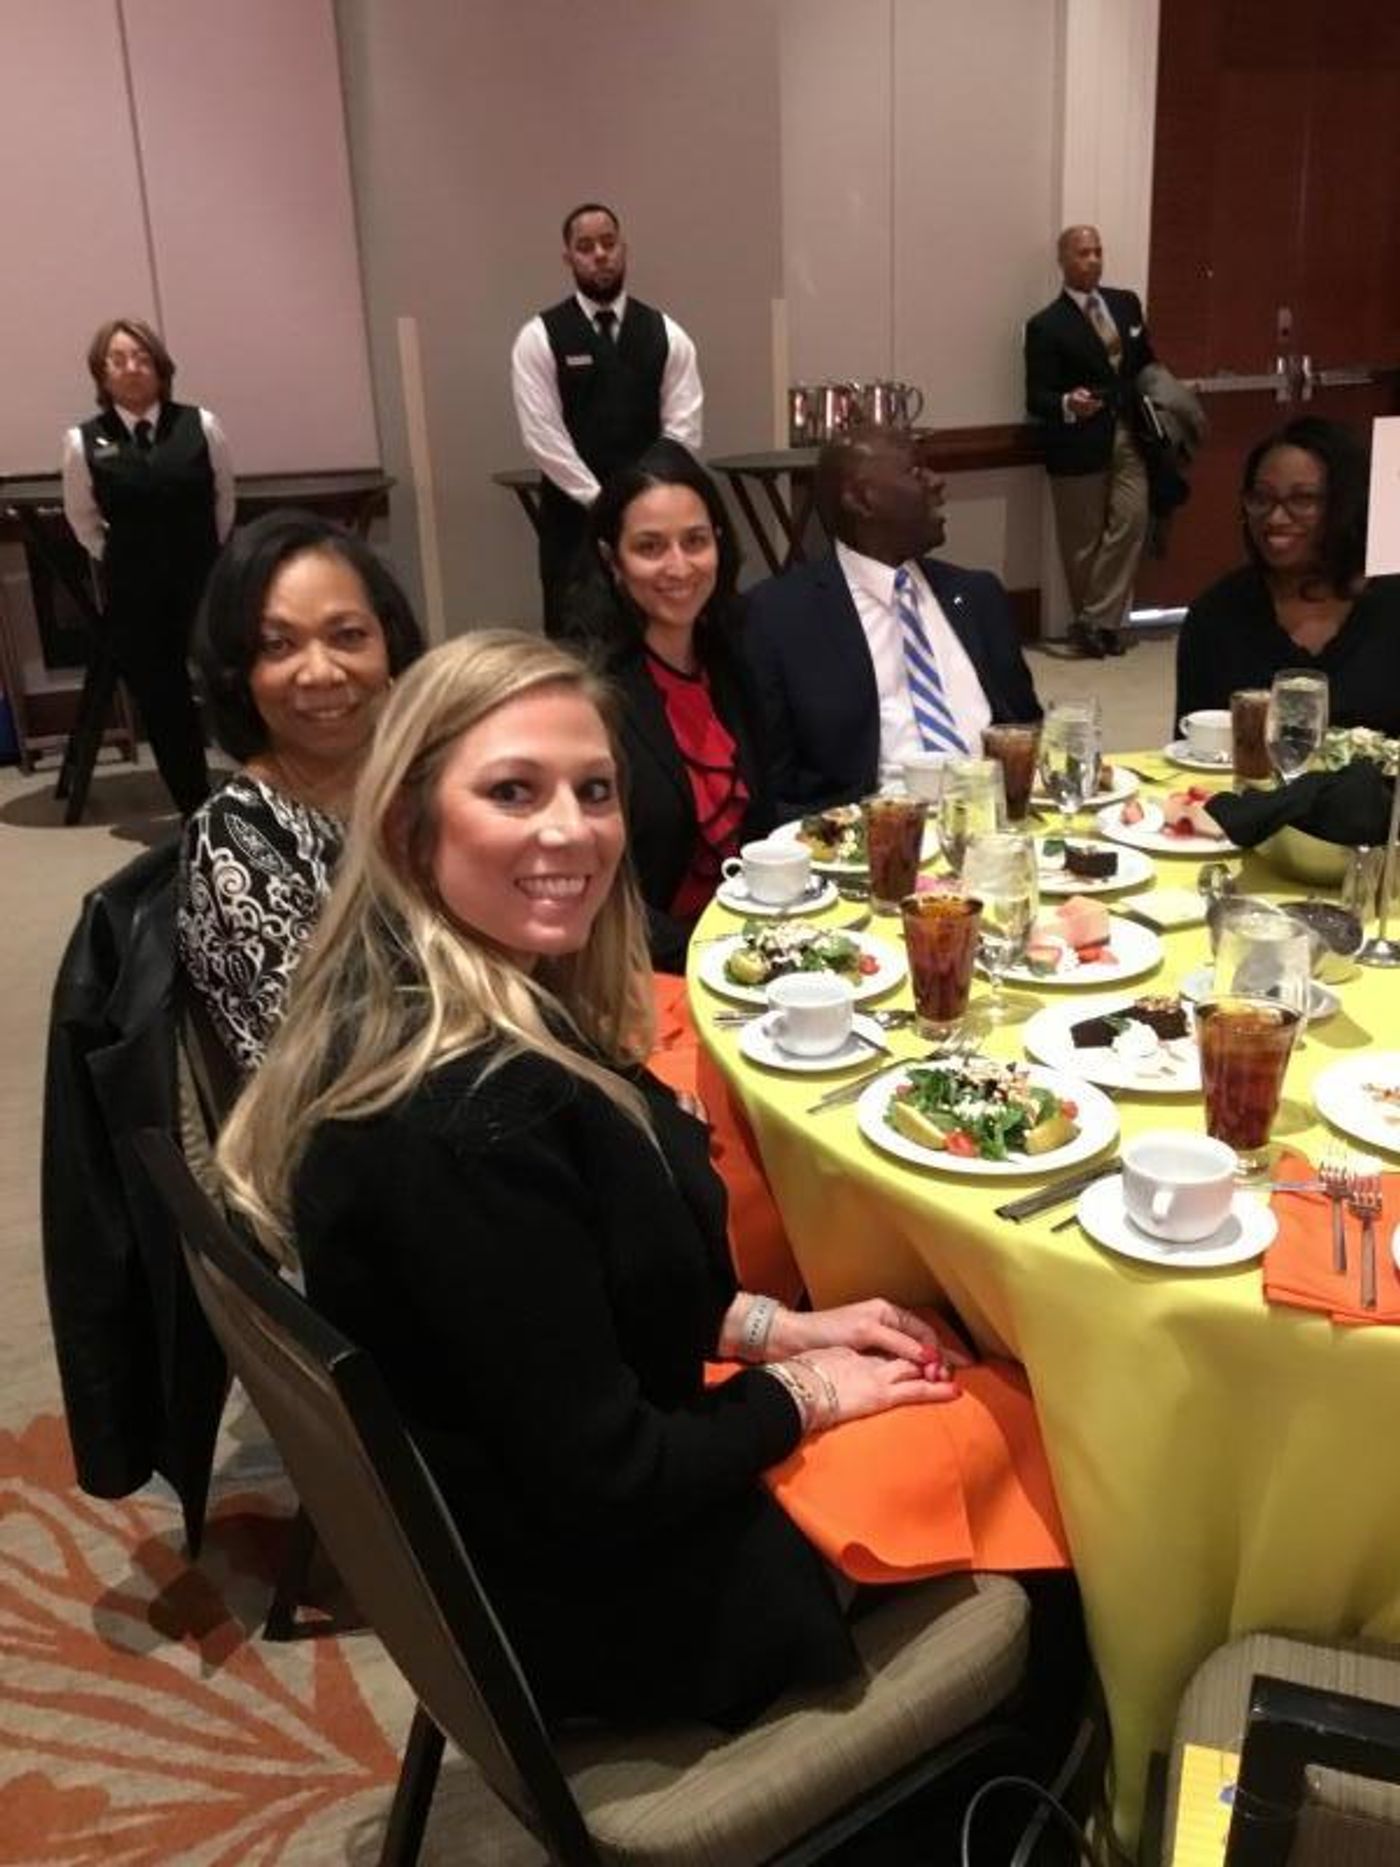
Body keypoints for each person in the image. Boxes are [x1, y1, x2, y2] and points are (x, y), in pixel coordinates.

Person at [216, 629, 963, 1729]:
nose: (571, 828)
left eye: (594, 789)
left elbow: (570, 1300)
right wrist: (803, 1393)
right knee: (1008, 1438)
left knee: (929, 1378)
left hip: (547, 1508)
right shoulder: (470, 1119)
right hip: (605, 1605)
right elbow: (613, 1478)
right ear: (407, 825)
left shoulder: (438, 1011)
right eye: (512, 791)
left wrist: (771, 1329)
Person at [179, 511, 424, 1074]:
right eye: (278, 646)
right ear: (238, 673)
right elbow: (318, 1065)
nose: (320, 672)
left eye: (348, 637)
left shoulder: (422, 780)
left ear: (389, 641)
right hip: (342, 1133)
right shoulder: (237, 838)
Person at [743, 427, 1042, 820]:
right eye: (916, 471)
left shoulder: (977, 595)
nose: (938, 482)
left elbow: (1025, 731)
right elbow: (775, 787)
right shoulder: (779, 617)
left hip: (996, 823)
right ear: (861, 499)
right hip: (876, 838)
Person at [564, 440, 770, 971]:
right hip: (644, 964)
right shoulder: (589, 692)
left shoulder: (734, 656)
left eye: (695, 541)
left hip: (750, 940)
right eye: (651, 547)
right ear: (613, 561)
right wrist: (716, 957)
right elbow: (597, 885)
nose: (679, 567)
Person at [62, 317, 236, 814]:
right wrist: (124, 559)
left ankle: (259, 797)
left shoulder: (200, 425)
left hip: (202, 582)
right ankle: (195, 809)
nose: (132, 368)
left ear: (160, 368)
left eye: (142, 358)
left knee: (229, 685)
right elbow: (83, 520)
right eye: (118, 359)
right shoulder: (83, 442)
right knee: (164, 702)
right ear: (102, 373)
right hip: (136, 593)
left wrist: (200, 552)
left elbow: (224, 499)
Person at [511, 202, 704, 635]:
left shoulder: (667, 333)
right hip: (574, 527)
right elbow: (543, 435)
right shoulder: (539, 337)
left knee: (655, 637)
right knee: (580, 653)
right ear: (569, 258)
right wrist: (601, 502)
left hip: (653, 524)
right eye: (585, 246)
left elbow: (683, 430)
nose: (599, 254)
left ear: (623, 249)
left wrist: (645, 500)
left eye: (608, 242)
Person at [1174, 417, 1400, 732]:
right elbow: (1191, 754)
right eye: (1261, 499)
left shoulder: (1391, 606)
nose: (1276, 517)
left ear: (1347, 504)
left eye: (1303, 499)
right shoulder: (1217, 615)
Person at [1024, 225, 1155, 658]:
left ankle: (1093, 621)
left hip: (1129, 428)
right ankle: (1104, 629)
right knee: (1082, 541)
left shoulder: (1125, 304)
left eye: (1098, 251)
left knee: (1131, 519)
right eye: (1083, 253)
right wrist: (1066, 402)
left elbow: (1146, 362)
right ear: (1062, 261)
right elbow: (1036, 396)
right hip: (1077, 439)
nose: (1093, 260)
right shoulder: (1046, 325)